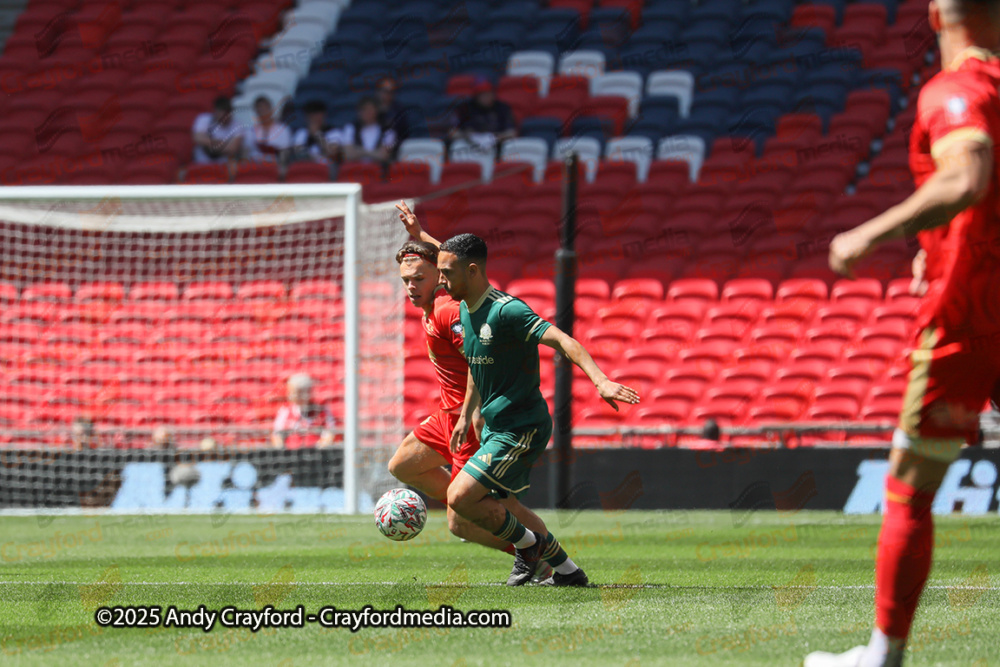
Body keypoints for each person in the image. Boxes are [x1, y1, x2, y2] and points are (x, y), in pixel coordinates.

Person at [804, 1, 1000, 665]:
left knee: (911, 482)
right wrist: (939, 240)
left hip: (971, 314)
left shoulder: (959, 88)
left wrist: (870, 232)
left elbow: (968, 172)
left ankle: (883, 656)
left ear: (939, 11)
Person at [439, 233, 640, 586]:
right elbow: (476, 363)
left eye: (446, 273)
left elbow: (564, 340)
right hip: (495, 425)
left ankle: (527, 546)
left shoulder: (506, 311)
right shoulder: (465, 310)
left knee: (458, 499)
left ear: (472, 271)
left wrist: (600, 380)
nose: (441, 281)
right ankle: (568, 573)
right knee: (511, 508)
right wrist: (469, 410)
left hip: (521, 426)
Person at [388, 203, 553, 578]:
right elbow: (452, 255)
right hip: (448, 414)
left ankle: (535, 554)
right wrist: (421, 237)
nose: (411, 286)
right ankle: (481, 505)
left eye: (418, 278)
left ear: (442, 277)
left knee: (461, 523)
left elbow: (482, 358)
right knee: (403, 465)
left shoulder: (447, 311)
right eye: (405, 280)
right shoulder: (432, 304)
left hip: (469, 419)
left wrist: (471, 414)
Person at [448, 77, 517, 153]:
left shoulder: (502, 108)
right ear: (475, 95)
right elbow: (452, 133)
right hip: (469, 145)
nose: (485, 97)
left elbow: (512, 133)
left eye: (488, 93)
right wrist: (468, 136)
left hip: (498, 146)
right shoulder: (465, 108)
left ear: (493, 93)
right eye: (481, 94)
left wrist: (494, 138)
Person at [271, 373, 336, 449]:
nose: (292, 396)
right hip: (291, 454)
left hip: (316, 454)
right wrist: (282, 449)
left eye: (297, 392)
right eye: (291, 392)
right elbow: (277, 435)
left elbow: (329, 434)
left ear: (308, 392)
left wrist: (319, 449)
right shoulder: (285, 411)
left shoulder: (321, 411)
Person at [339, 96, 396, 164]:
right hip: (356, 170)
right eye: (363, 110)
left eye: (370, 109)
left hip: (379, 171)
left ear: (376, 110)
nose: (367, 113)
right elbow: (348, 154)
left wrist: (360, 151)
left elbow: (384, 156)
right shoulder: (350, 128)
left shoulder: (387, 130)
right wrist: (374, 154)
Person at [191, 96, 244, 164]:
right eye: (221, 114)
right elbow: (197, 138)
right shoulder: (203, 119)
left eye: (226, 114)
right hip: (202, 163)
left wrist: (209, 144)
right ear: (215, 111)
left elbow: (233, 148)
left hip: (223, 165)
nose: (224, 118)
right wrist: (224, 143)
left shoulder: (237, 126)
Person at [247, 95, 292, 165]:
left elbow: (285, 153)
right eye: (259, 109)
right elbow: (248, 151)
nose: (262, 111)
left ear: (270, 108)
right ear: (256, 112)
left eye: (265, 108)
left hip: (276, 166)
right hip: (256, 166)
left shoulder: (283, 129)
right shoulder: (251, 131)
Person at [375, 76, 409, 147]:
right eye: (385, 91)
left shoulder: (399, 111)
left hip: (394, 149)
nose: (387, 95)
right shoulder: (371, 108)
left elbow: (402, 134)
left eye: (391, 92)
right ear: (378, 92)